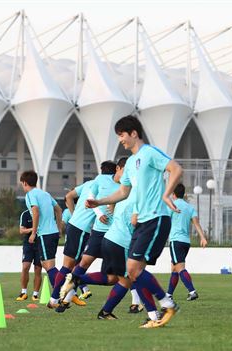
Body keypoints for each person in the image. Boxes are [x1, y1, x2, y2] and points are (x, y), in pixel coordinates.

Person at [86, 115, 183, 329]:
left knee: (133, 269)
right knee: (132, 271)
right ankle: (156, 315)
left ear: (134, 133)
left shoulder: (150, 153)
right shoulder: (129, 163)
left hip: (156, 218)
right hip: (142, 222)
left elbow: (176, 168)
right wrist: (99, 202)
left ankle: (167, 304)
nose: (120, 140)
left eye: (122, 135)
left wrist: (167, 194)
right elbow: (123, 191)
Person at [60, 193, 137, 319]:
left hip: (110, 238)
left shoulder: (124, 195)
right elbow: (134, 221)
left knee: (112, 279)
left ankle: (78, 279)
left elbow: (111, 201)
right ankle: (151, 311)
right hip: (122, 241)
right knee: (129, 278)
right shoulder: (138, 196)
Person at [62, 160, 124, 306]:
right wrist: (97, 212)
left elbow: (122, 201)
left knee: (114, 278)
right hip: (97, 232)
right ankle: (65, 298)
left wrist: (115, 207)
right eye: (124, 170)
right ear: (117, 168)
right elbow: (89, 197)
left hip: (115, 236)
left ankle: (77, 281)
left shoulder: (127, 187)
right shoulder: (100, 179)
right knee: (83, 263)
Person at [19, 170, 63, 309]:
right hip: (53, 233)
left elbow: (36, 211)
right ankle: (61, 295)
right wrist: (59, 228)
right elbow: (59, 210)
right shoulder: (45, 194)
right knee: (47, 265)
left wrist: (33, 233)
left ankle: (62, 294)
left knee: (48, 266)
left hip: (44, 234)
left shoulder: (30, 195)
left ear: (25, 183)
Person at [165, 183, 208, 301]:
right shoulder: (189, 207)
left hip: (176, 240)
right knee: (174, 268)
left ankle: (192, 291)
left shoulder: (171, 205)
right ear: (184, 194)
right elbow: (196, 223)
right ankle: (169, 295)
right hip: (186, 242)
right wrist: (202, 237)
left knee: (179, 268)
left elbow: (165, 221)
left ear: (173, 194)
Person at [16, 208, 41, 301]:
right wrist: (34, 229)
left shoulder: (42, 213)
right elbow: (21, 230)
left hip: (40, 244)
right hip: (28, 244)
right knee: (25, 267)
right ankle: (23, 292)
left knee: (38, 269)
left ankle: (35, 294)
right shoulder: (25, 214)